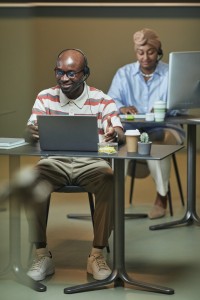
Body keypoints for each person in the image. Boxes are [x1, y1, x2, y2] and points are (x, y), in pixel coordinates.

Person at [24, 48, 125, 282]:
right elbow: (30, 131)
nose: (64, 78)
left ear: (85, 74)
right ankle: (41, 255)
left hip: (91, 164)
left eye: (71, 73)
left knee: (108, 178)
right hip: (53, 163)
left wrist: (115, 132)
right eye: (59, 72)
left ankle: (96, 255)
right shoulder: (44, 97)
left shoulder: (102, 99)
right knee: (33, 179)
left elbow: (119, 130)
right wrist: (30, 132)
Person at [107, 28, 186, 219]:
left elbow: (182, 106)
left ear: (158, 52)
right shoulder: (124, 74)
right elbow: (110, 101)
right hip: (131, 129)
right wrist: (122, 107)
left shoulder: (170, 73)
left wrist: (165, 108)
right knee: (115, 142)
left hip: (165, 128)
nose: (145, 57)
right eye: (140, 52)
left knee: (158, 142)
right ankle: (112, 198)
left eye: (150, 52)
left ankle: (162, 197)